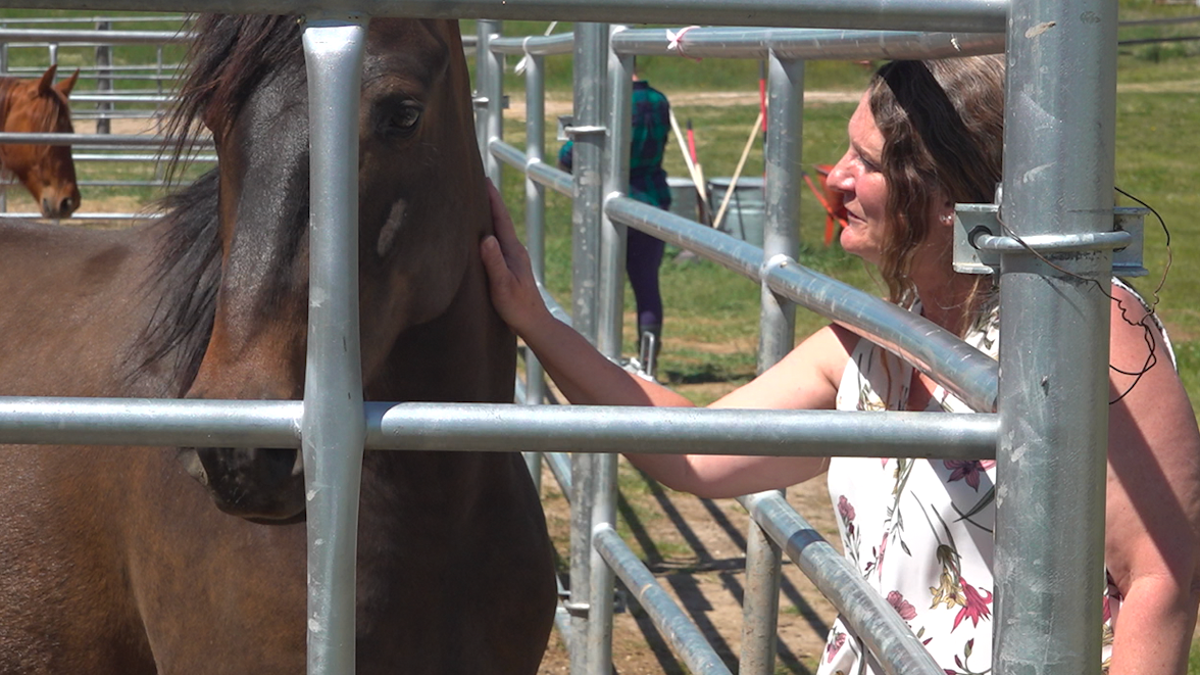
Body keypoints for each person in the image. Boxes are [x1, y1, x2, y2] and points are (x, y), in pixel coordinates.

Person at [481, 55, 1200, 675]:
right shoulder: (879, 339)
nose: (836, 181)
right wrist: (537, 324)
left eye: (868, 163)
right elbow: (698, 449)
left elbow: (1161, 576)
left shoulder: (1083, 326)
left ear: (951, 196)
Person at [558, 62, 672, 372]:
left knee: (598, 284)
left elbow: (570, 155)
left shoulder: (607, 105)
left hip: (610, 203)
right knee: (646, 284)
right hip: (653, 199)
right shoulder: (659, 100)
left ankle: (597, 359)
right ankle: (648, 363)